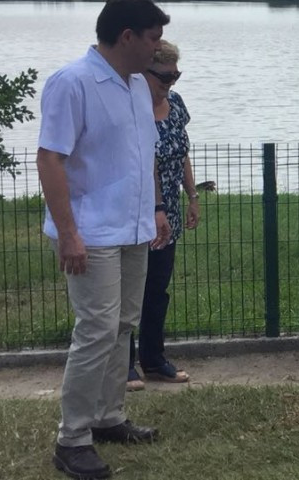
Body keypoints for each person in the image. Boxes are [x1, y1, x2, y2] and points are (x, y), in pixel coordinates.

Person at [38, 0, 171, 480]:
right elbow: (50, 158)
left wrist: (157, 208)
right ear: (127, 36)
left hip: (134, 227)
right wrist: (68, 233)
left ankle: (109, 416)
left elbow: (146, 154)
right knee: (95, 329)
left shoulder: (138, 84)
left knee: (122, 325)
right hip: (90, 232)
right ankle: (72, 439)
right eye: (153, 39)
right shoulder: (72, 83)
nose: (158, 49)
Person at [126, 40, 200, 391]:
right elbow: (145, 163)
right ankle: (122, 366)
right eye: (165, 77)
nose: (171, 83)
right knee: (128, 291)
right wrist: (156, 209)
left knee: (157, 289)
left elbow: (182, 151)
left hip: (166, 212)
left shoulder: (176, 106)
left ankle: (153, 360)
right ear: (144, 72)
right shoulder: (132, 106)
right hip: (137, 210)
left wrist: (193, 196)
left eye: (176, 76)